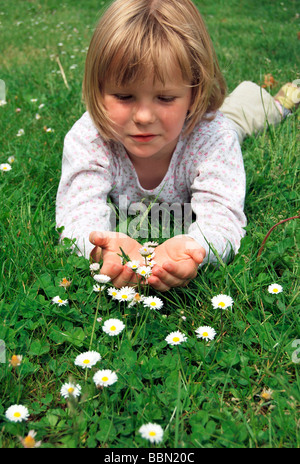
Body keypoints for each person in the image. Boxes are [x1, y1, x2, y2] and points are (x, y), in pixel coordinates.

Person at [56, 0, 299, 292]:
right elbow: (76, 216)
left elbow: (222, 217)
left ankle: (277, 102)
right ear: (97, 90)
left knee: (238, 121)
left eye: (165, 98)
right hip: (187, 125)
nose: (143, 117)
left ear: (195, 93)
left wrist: (196, 249)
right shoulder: (90, 137)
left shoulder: (213, 136)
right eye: (124, 96)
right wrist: (101, 248)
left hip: (201, 128)